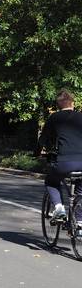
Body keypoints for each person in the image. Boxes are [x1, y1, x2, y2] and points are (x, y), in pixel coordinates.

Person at [38, 89, 82, 220]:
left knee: (51, 181)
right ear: (72, 103)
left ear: (58, 105)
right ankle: (80, 223)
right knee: (81, 192)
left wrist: (41, 150)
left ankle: (59, 208)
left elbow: (43, 139)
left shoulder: (54, 118)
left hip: (65, 162)